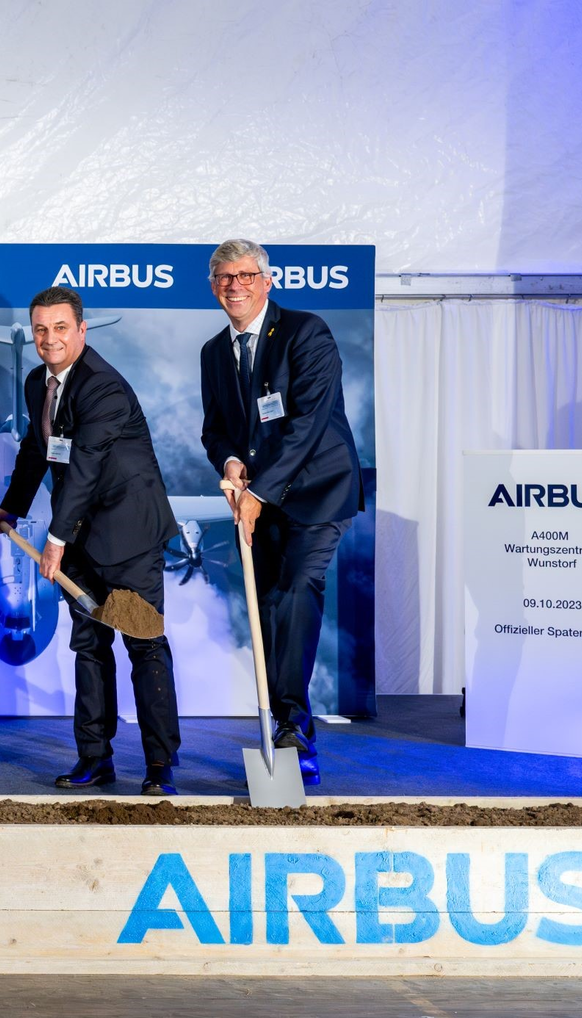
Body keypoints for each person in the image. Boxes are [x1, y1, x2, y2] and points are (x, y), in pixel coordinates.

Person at [0, 286, 183, 796]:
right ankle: (95, 758)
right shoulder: (38, 383)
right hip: (80, 540)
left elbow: (86, 469)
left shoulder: (104, 388)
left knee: (145, 646)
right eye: (41, 330)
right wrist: (13, 506)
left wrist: (54, 538)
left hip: (129, 538)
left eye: (60, 328)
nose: (49, 339)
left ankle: (160, 765)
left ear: (81, 330)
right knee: (89, 648)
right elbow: (37, 449)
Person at [198, 239, 363, 786]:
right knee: (266, 606)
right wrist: (229, 461)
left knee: (295, 590)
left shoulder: (305, 332)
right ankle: (286, 721)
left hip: (317, 492)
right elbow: (217, 427)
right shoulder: (213, 352)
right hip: (261, 499)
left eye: (246, 275)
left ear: (268, 281)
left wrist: (260, 490)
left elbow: (308, 423)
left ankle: (293, 731)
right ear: (213, 286)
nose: (235, 285)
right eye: (225, 277)